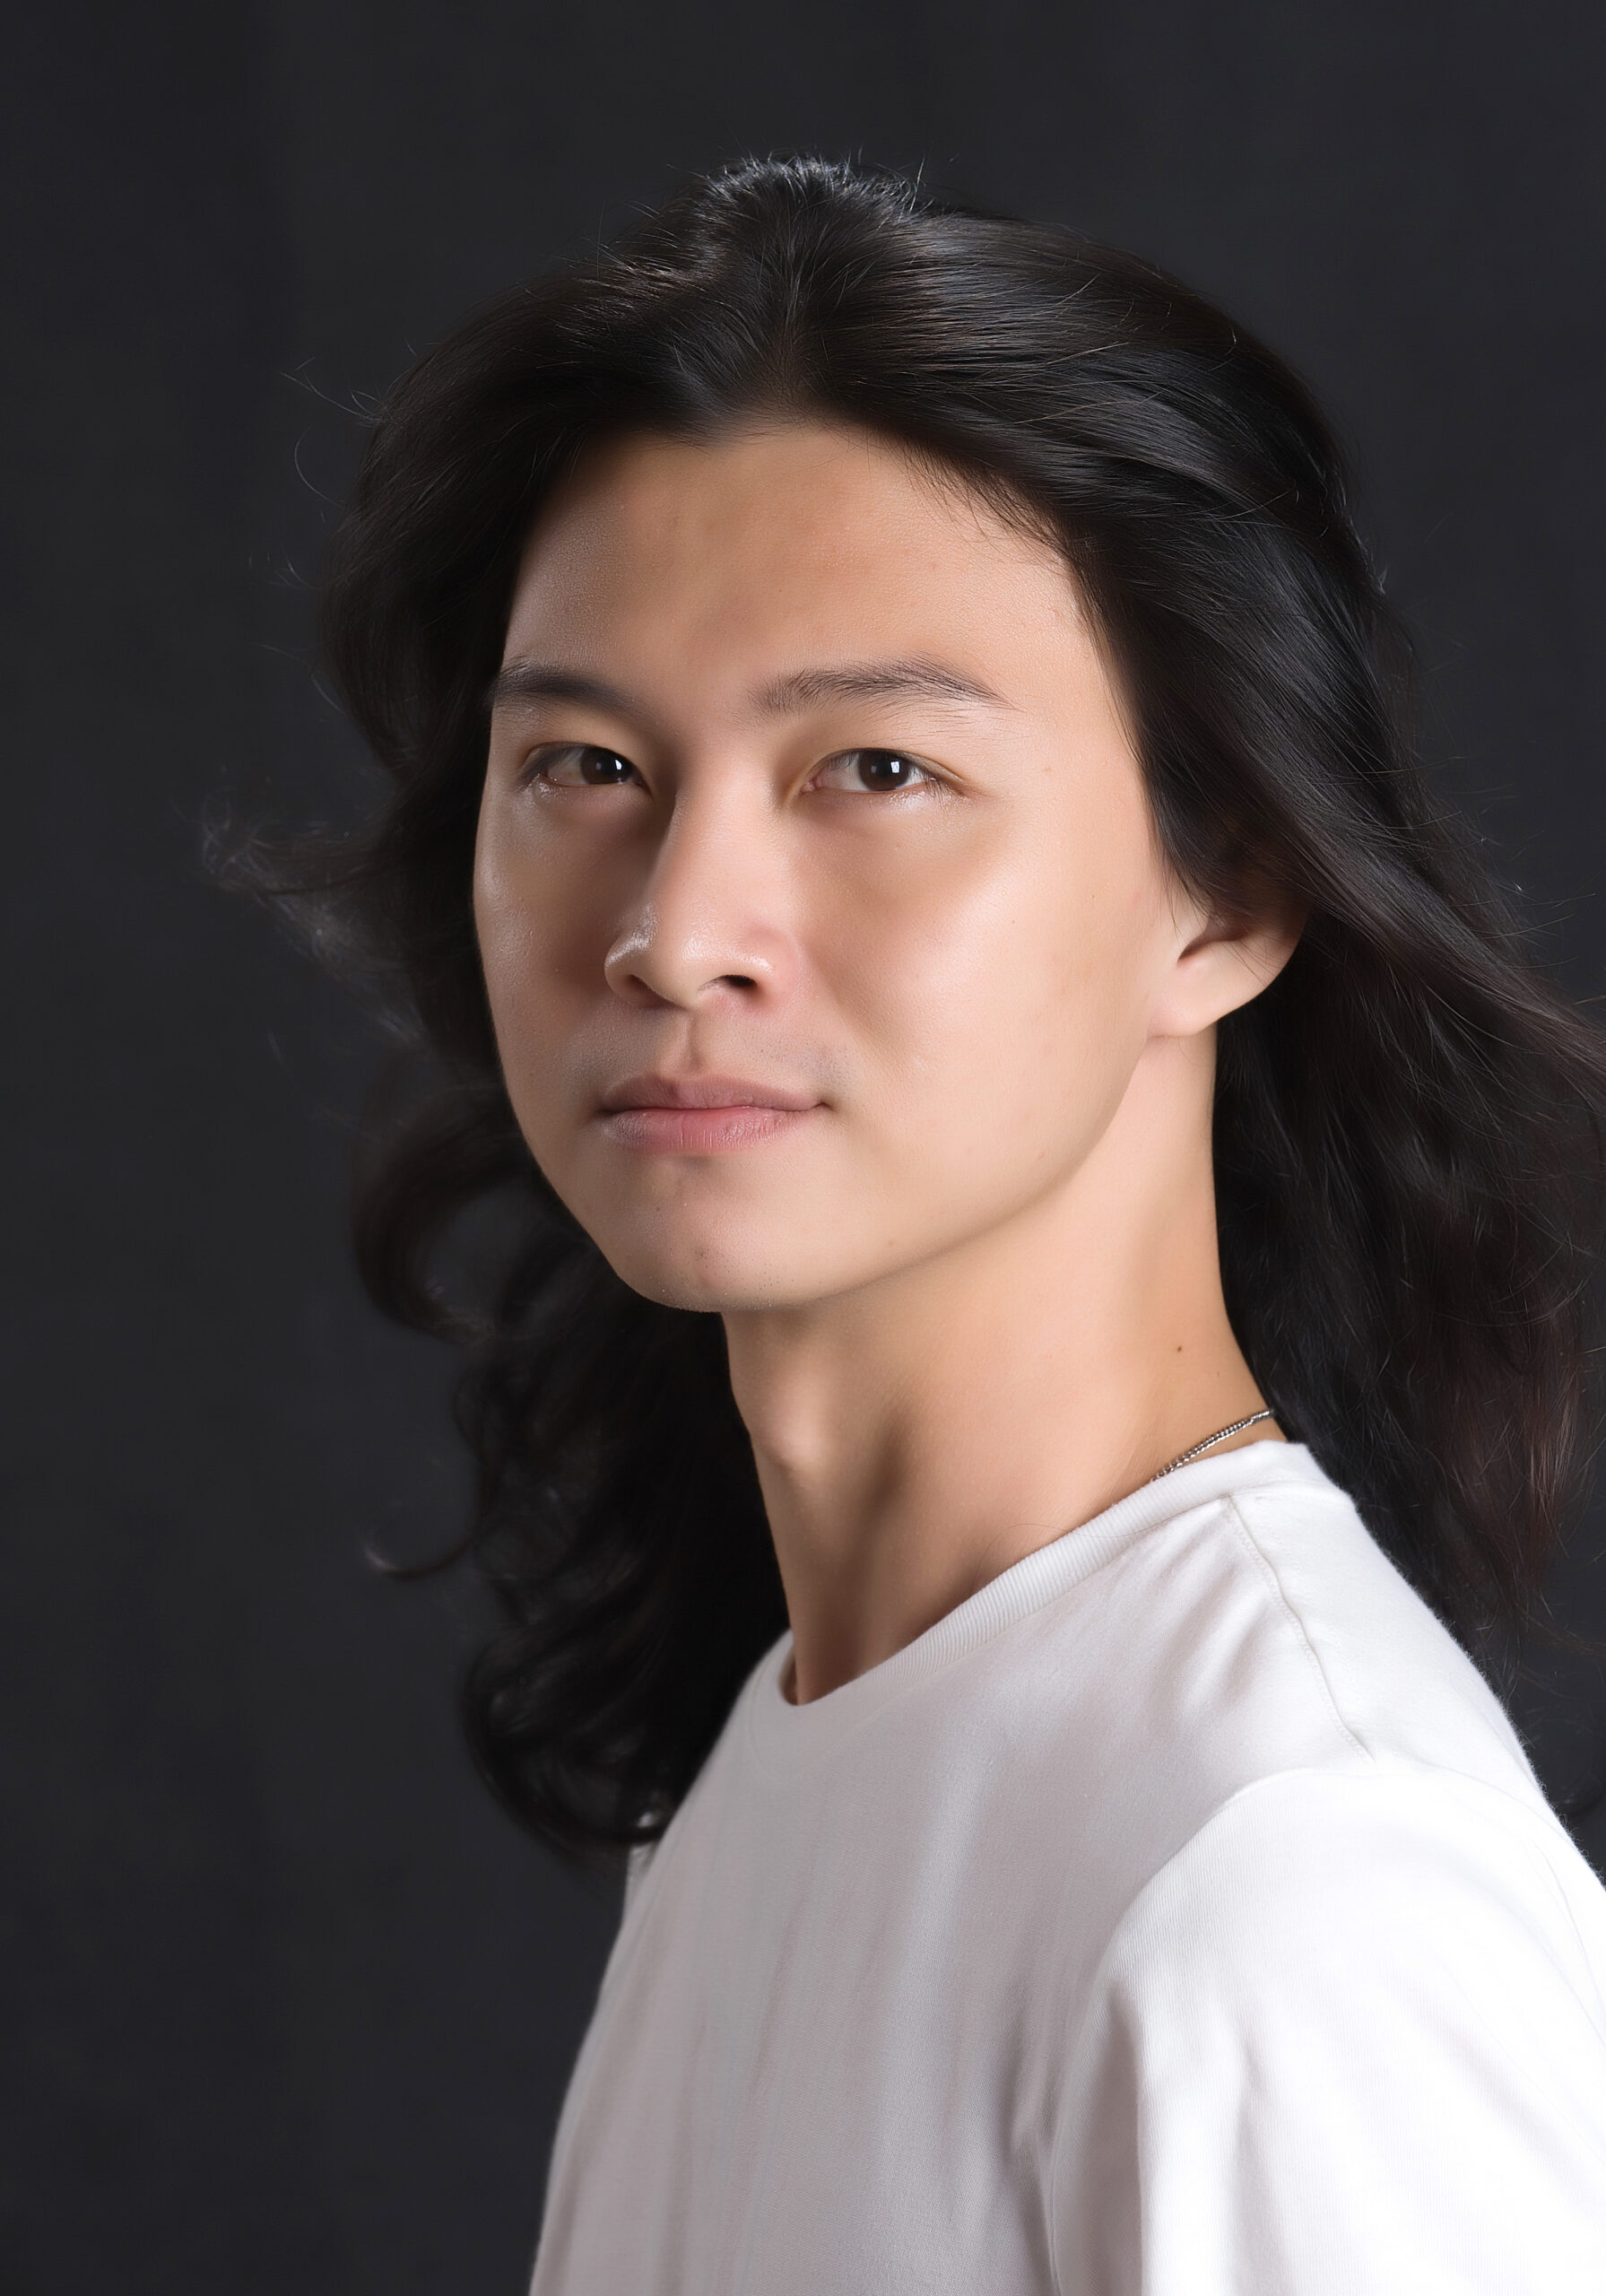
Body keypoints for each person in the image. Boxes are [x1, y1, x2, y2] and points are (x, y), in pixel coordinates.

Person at [294, 158, 1606, 2290]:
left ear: (1226, 889)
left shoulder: (1287, 1894)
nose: (674, 931)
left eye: (874, 769)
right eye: (587, 765)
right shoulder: (775, 1762)